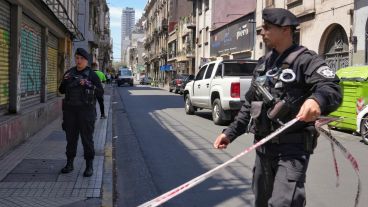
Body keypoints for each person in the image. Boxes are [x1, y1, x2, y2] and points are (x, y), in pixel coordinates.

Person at [213, 8, 342, 207]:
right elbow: (249, 105)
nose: (262, 32)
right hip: (263, 149)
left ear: (286, 30)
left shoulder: (305, 60)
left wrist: (317, 100)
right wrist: (229, 133)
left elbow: (331, 87)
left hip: (292, 150)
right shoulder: (264, 64)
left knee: (283, 203)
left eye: (267, 28)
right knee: (262, 202)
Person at [59, 48, 104, 177]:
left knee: (87, 140)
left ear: (86, 61)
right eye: (77, 58)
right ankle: (69, 164)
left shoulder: (92, 74)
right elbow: (61, 90)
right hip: (70, 112)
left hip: (86, 112)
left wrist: (88, 84)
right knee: (71, 139)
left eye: (81, 58)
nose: (78, 61)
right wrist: (65, 80)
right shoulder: (69, 73)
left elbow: (100, 92)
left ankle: (89, 166)